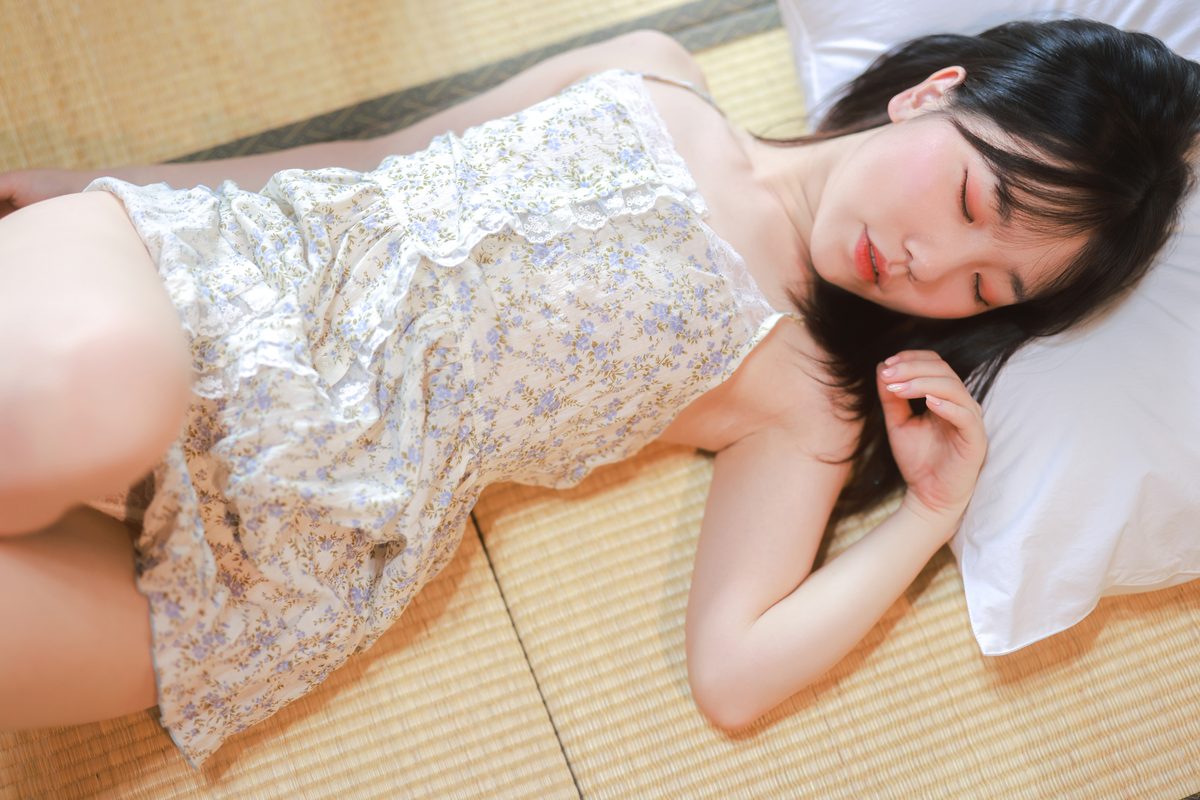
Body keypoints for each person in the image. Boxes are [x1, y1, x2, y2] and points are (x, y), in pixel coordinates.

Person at [0, 20, 1197, 768]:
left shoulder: (807, 395)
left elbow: (733, 673)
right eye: (975, 200)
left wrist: (933, 512)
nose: (930, 263)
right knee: (114, 392)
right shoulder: (651, 75)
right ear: (935, 93)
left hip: (304, 545)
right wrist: (113, 183)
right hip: (226, 291)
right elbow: (372, 161)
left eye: (984, 285)